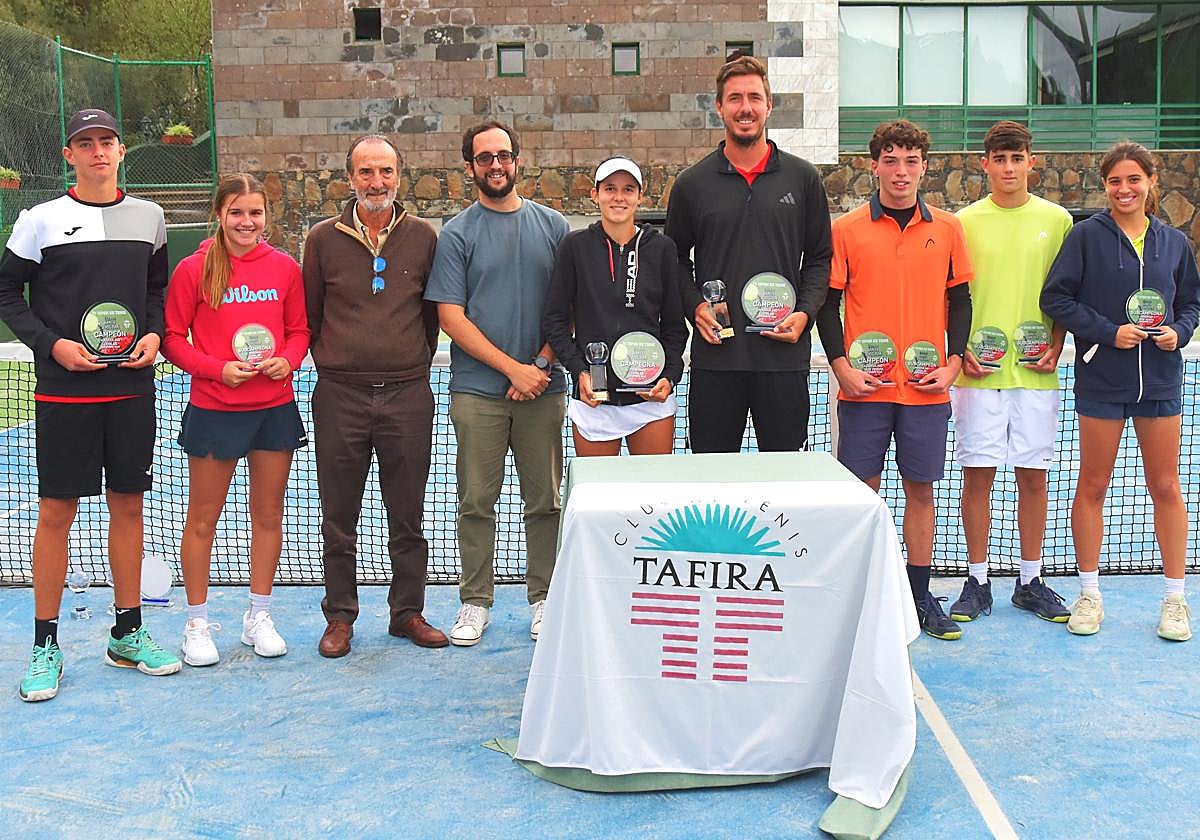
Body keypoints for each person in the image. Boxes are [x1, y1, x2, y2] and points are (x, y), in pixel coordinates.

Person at [0, 108, 181, 701]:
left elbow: (156, 289)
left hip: (131, 390)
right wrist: (52, 345)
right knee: (57, 513)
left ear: (122, 150)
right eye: (86, 143)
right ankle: (44, 644)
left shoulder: (151, 218)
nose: (98, 151)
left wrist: (153, 335)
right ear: (69, 156)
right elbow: (6, 289)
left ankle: (128, 632)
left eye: (107, 141)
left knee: (128, 507)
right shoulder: (39, 220)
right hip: (63, 392)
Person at [815, 119, 974, 641]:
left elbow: (962, 301)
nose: (900, 171)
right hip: (865, 391)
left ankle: (919, 593)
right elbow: (828, 306)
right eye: (890, 160)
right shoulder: (847, 229)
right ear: (874, 165)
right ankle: (863, 594)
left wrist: (952, 365)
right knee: (864, 492)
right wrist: (841, 366)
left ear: (924, 166)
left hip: (926, 390)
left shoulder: (948, 229)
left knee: (921, 490)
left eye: (911, 161)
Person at [1042, 141, 1200, 640]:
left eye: (1134, 179)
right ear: (1105, 185)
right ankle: (1089, 593)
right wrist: (1108, 332)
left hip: (1159, 380)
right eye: (1115, 181)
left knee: (1166, 486)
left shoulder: (1173, 243)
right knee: (1092, 486)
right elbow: (1056, 298)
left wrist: (1181, 331)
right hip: (1102, 380)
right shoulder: (1086, 237)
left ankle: (1175, 599)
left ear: (1151, 182)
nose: (1124, 189)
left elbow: (1191, 303)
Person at [425, 120, 570, 646]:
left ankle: (545, 598)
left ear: (518, 161)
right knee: (475, 501)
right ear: (470, 168)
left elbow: (567, 307)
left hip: (544, 389)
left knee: (546, 501)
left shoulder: (554, 226)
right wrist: (513, 370)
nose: (496, 165)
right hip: (477, 393)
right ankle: (474, 601)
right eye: (484, 158)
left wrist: (540, 366)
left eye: (503, 155)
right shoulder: (457, 233)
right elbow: (451, 316)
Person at [303, 134, 447, 656]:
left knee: (407, 513)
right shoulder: (321, 239)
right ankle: (340, 616)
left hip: (408, 396)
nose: (376, 182)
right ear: (350, 179)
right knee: (338, 514)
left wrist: (406, 364)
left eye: (385, 171)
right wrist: (345, 365)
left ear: (399, 176)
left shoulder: (425, 237)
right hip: (339, 396)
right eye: (366, 172)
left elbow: (432, 318)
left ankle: (406, 612)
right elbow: (312, 315)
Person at [162, 174, 310, 666]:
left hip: (273, 410)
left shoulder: (286, 268)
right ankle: (198, 624)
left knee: (268, 515)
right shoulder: (193, 269)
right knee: (202, 518)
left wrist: (287, 360)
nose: (247, 222)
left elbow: (299, 331)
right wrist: (215, 370)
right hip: (214, 410)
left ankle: (258, 616)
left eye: (256, 212)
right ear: (219, 214)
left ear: (266, 216)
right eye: (237, 212)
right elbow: (173, 338)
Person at [665, 54, 832, 454]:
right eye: (735, 98)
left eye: (754, 97)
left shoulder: (803, 177)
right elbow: (674, 260)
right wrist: (696, 309)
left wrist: (804, 313)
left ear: (769, 106)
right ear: (719, 107)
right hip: (716, 360)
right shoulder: (692, 184)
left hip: (784, 359)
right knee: (712, 483)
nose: (746, 108)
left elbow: (820, 258)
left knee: (786, 483)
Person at [947, 121, 1075, 627]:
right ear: (984, 164)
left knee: (1033, 480)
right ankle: (977, 580)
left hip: (1036, 373)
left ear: (1031, 161)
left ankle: (1029, 579)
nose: (1007, 168)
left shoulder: (1059, 220)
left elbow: (1066, 292)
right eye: (998, 159)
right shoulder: (962, 222)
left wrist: (1058, 345)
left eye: (1016, 158)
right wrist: (959, 352)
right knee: (977, 476)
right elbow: (951, 295)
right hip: (977, 373)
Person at [542, 157, 686, 456]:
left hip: (649, 401)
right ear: (595, 195)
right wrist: (580, 371)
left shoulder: (661, 249)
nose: (619, 197)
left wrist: (669, 376)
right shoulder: (574, 247)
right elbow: (555, 321)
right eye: (610, 188)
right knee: (600, 497)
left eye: (628, 189)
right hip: (595, 396)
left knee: (654, 499)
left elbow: (674, 326)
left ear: (640, 196)